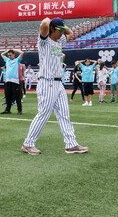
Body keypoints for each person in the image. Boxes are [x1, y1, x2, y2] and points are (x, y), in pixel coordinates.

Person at [22, 17, 88, 155]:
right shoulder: (44, 42)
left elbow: (70, 33)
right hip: (47, 82)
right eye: (59, 30)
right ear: (52, 29)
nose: (62, 33)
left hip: (58, 83)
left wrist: (62, 26)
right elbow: (44, 23)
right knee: (44, 114)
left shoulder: (60, 41)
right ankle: (28, 144)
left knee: (64, 114)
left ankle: (71, 144)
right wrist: (53, 22)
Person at [0, 49, 24, 115]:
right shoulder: (7, 60)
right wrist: (7, 51)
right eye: (8, 55)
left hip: (15, 81)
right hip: (8, 81)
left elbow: (22, 53)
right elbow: (2, 54)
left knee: (17, 96)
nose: (9, 56)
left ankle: (19, 110)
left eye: (10, 55)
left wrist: (15, 50)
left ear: (14, 54)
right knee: (8, 96)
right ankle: (8, 110)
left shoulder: (17, 60)